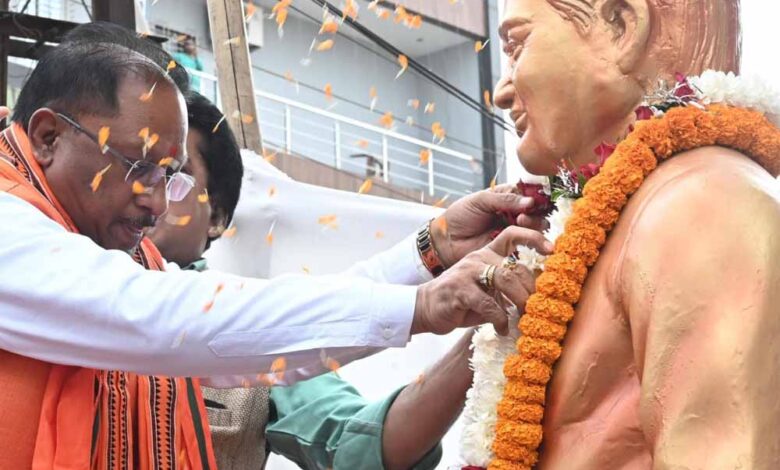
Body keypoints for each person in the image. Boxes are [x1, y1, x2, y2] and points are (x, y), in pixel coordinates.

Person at [0, 38, 548, 468]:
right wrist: (423, 307)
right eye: (138, 167)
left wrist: (433, 248)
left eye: (170, 178)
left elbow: (246, 313)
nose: (157, 204)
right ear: (48, 137)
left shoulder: (138, 268)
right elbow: (173, 318)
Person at [486, 0, 780, 468]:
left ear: (621, 27)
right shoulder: (630, 213)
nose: (501, 93)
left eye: (517, 47)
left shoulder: (702, 203)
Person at [146, 91, 493, 469]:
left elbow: (360, 446)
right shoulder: (93, 287)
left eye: (172, 175)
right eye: (133, 166)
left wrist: (484, 334)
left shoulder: (262, 328)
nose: (146, 190)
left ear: (216, 216)